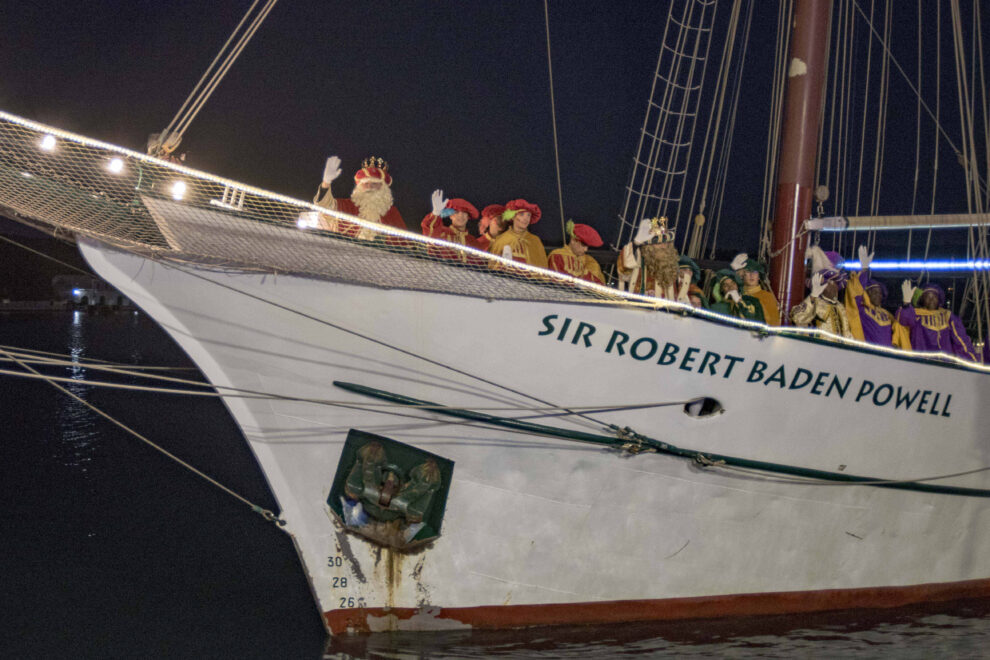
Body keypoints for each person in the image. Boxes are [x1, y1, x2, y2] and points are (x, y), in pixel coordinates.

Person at [313, 155, 406, 239]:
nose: (370, 187)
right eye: (366, 184)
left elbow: (404, 244)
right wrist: (326, 183)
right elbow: (324, 206)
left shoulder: (393, 213)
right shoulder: (347, 206)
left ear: (383, 189)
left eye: (374, 184)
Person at [894, 280, 978, 361]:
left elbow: (961, 340)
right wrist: (906, 304)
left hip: (945, 363)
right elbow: (903, 321)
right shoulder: (915, 314)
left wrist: (970, 360)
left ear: (939, 299)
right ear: (922, 300)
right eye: (928, 297)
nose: (931, 299)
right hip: (920, 362)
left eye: (934, 296)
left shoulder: (947, 316)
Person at [843, 246, 896, 347]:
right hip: (868, 353)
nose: (878, 295)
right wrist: (864, 270)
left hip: (887, 356)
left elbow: (901, 327)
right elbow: (855, 294)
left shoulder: (887, 314)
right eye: (874, 292)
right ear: (867, 294)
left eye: (879, 292)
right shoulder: (862, 309)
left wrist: (907, 306)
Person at [615, 217, 679, 298]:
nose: (663, 246)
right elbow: (624, 272)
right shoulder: (639, 258)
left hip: (668, 309)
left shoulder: (672, 262)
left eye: (666, 243)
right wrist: (636, 243)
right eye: (658, 244)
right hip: (639, 307)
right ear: (650, 247)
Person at [420, 190, 484, 261]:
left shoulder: (473, 242)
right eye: (456, 212)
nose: (460, 216)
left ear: (468, 217)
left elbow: (480, 264)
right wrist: (436, 213)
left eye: (464, 213)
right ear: (450, 216)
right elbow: (429, 232)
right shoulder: (441, 233)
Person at [789, 267, 853, 338]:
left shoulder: (840, 307)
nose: (833, 286)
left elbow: (847, 332)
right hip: (820, 346)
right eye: (829, 283)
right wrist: (813, 295)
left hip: (840, 348)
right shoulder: (815, 302)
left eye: (835, 283)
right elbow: (798, 318)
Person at [488, 199, 547, 268]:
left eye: (528, 215)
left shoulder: (535, 240)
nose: (526, 219)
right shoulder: (501, 240)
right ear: (513, 217)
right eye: (521, 214)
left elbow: (543, 268)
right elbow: (493, 267)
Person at [730, 253, 780, 326]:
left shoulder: (767, 296)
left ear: (759, 277)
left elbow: (773, 324)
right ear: (742, 275)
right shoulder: (738, 294)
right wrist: (733, 268)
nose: (751, 275)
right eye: (748, 271)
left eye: (755, 272)